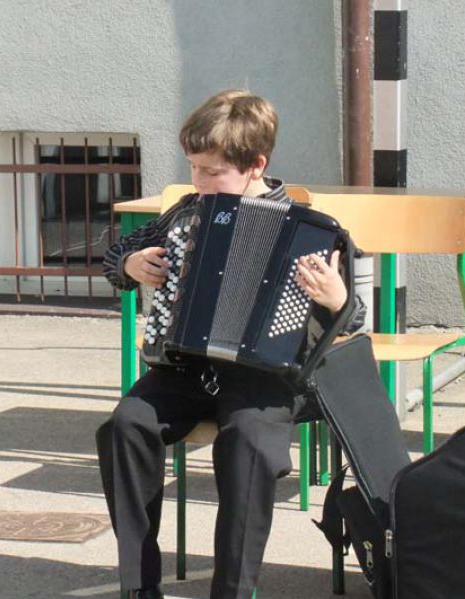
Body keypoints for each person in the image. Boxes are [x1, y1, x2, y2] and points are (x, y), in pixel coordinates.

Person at [96, 90, 350, 599]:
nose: (199, 181)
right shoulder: (187, 212)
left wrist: (335, 296)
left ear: (257, 165)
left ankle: (230, 591)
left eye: (212, 171)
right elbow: (118, 254)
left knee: (249, 445)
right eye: (194, 167)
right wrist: (130, 264)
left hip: (264, 378)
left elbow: (353, 315)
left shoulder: (310, 231)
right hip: (185, 370)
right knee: (125, 426)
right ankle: (140, 587)